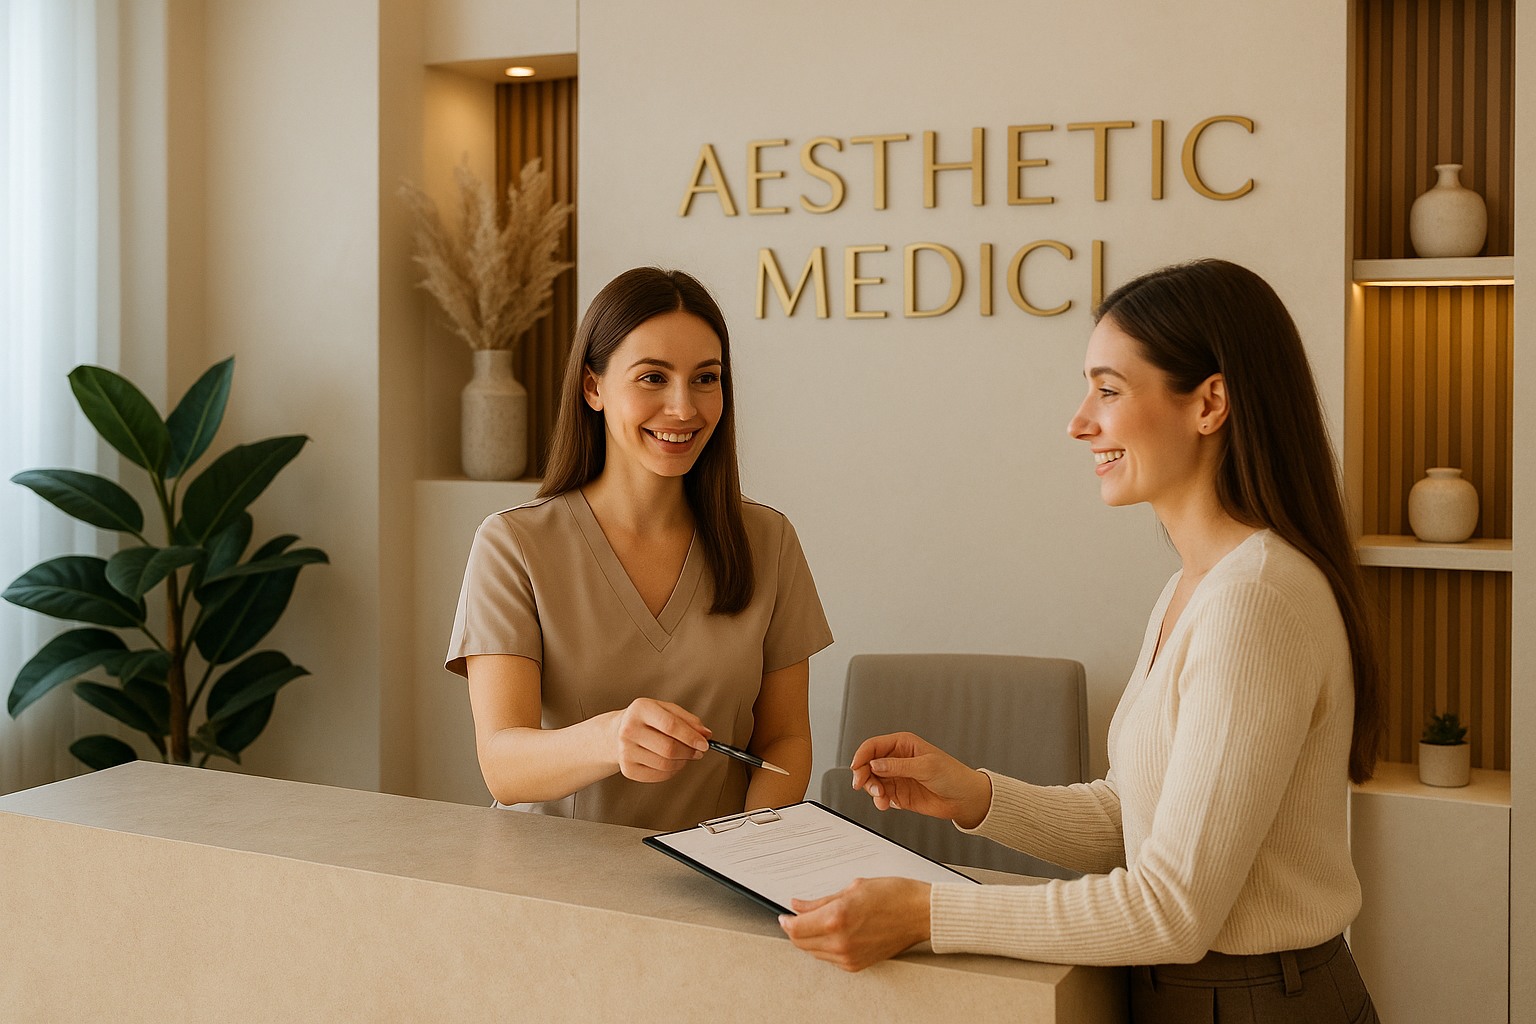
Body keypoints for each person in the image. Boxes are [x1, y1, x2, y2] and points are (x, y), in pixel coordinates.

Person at [779, 259, 1383, 1024]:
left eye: (1108, 390)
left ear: (1210, 403)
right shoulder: (1197, 585)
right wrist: (976, 794)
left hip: (1255, 1003)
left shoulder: (1253, 602)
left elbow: (1172, 909)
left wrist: (924, 913)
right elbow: (1134, 817)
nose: (1079, 423)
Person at [445, 267, 833, 834]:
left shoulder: (768, 541)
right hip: (553, 874)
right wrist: (609, 738)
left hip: (713, 871)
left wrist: (748, 848)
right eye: (653, 377)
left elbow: (785, 739)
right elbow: (503, 766)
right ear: (593, 388)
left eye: (706, 378)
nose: (683, 408)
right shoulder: (513, 545)